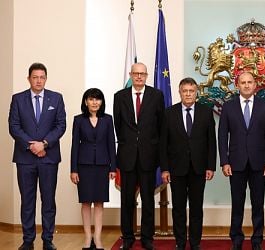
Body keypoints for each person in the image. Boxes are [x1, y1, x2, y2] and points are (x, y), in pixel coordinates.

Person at [8, 62, 66, 250]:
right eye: (35, 77)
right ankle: (28, 240)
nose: (39, 80)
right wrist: (32, 145)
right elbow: (14, 126)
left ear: (46, 78)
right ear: (29, 79)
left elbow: (60, 125)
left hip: (49, 158)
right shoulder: (18, 99)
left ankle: (48, 240)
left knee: (48, 200)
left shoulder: (56, 99)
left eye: (42, 77)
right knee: (27, 200)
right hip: (25, 159)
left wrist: (45, 143)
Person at [218, 72, 265, 250]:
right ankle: (236, 239)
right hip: (235, 164)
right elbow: (222, 136)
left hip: (260, 164)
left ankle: (257, 240)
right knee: (237, 203)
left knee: (258, 204)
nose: (246, 85)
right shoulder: (228, 107)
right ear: (238, 85)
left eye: (249, 82)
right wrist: (224, 162)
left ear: (255, 85)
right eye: (242, 82)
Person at [160, 77, 217, 250]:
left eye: (191, 91)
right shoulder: (169, 113)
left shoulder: (206, 112)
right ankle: (180, 242)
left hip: (199, 168)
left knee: (196, 207)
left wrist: (210, 166)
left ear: (196, 92)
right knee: (178, 208)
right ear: (180, 92)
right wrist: (164, 169)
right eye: (185, 91)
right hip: (176, 168)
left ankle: (195, 242)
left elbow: (211, 142)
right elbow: (163, 143)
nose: (188, 94)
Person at [113, 62, 165, 250]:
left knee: (148, 199)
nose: (139, 77)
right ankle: (127, 237)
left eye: (142, 74)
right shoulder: (119, 96)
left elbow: (161, 126)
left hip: (148, 156)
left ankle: (147, 237)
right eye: (136, 74)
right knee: (127, 200)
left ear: (147, 75)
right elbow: (118, 127)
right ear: (130, 74)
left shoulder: (156, 96)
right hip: (127, 156)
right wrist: (129, 144)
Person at [70, 88, 116, 250]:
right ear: (85, 102)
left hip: (103, 166)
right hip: (84, 166)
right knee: (85, 202)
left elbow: (111, 144)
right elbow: (75, 145)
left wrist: (113, 167)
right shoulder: (78, 120)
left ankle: (98, 239)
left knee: (99, 203)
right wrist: (73, 169)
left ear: (101, 102)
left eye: (98, 99)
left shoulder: (108, 119)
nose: (95, 102)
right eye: (91, 99)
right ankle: (87, 238)